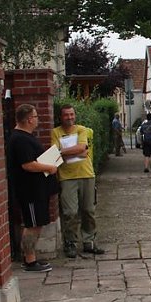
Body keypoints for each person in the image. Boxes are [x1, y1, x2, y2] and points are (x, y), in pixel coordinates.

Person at [6, 104, 58, 272]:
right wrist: (49, 167)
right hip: (30, 191)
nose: (37, 120)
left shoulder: (25, 136)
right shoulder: (20, 139)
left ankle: (31, 257)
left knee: (37, 223)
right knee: (32, 225)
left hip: (36, 190)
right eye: (36, 117)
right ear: (29, 119)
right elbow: (28, 165)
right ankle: (29, 261)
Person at [52, 104, 105, 258]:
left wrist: (63, 152)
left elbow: (82, 147)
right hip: (67, 178)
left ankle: (89, 242)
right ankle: (71, 243)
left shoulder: (81, 129)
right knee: (70, 212)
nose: (69, 117)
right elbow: (54, 154)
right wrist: (73, 151)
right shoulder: (55, 132)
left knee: (89, 210)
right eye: (66, 115)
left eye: (72, 114)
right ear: (60, 117)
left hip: (87, 174)